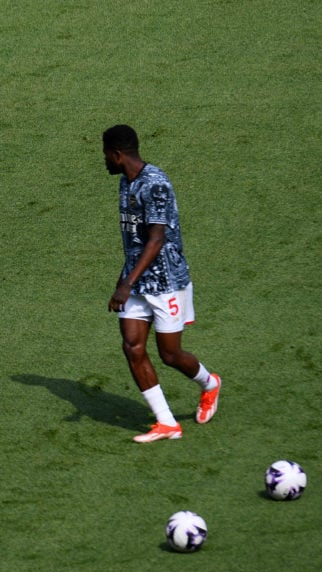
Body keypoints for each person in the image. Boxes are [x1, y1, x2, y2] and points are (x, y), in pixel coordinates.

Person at [102, 124, 221, 443]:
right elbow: (135, 241)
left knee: (170, 354)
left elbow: (156, 239)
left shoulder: (155, 185)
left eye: (105, 155)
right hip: (137, 282)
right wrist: (124, 279)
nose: (103, 161)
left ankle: (210, 384)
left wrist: (126, 284)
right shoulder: (126, 183)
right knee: (132, 346)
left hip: (166, 280)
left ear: (117, 154)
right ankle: (166, 422)